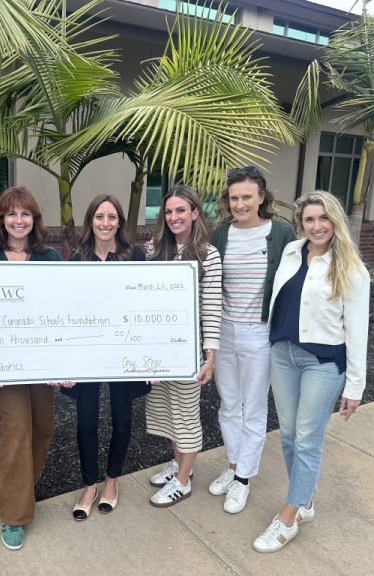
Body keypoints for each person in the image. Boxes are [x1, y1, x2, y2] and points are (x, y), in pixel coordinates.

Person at [252, 190, 370, 553]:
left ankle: (289, 515)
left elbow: (358, 331)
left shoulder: (351, 268)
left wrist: (355, 386)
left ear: (335, 221)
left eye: (323, 218)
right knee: (288, 434)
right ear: (300, 223)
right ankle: (304, 498)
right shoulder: (292, 251)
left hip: (322, 362)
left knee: (307, 438)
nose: (317, 226)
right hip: (283, 355)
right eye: (309, 219)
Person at [0, 186, 61, 551]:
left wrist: (63, 362)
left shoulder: (50, 257)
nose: (19, 220)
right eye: (12, 213)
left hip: (41, 361)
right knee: (16, 430)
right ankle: (14, 513)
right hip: (3, 363)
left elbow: (63, 311)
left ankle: (21, 486)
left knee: (42, 428)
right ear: (2, 219)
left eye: (25, 214)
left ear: (34, 219)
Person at [208, 167, 296, 514]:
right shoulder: (221, 234)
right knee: (229, 404)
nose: (240, 204)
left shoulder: (281, 233)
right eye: (234, 198)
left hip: (260, 332)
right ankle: (233, 466)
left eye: (247, 196)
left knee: (254, 407)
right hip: (224, 330)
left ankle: (244, 478)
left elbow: (296, 280)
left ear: (261, 197)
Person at [64, 195, 148, 521]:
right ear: (91, 221)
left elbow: (146, 306)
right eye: (99, 216)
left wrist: (151, 356)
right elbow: (65, 309)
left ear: (119, 222)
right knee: (86, 421)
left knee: (122, 420)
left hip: (123, 350)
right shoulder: (77, 259)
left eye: (112, 217)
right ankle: (89, 485)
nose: (105, 223)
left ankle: (111, 481)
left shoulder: (134, 256)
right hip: (87, 352)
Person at [145, 185, 222, 507]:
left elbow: (212, 308)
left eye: (181, 210)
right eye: (168, 211)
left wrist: (209, 358)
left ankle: (183, 481)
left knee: (186, 414)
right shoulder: (154, 249)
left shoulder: (208, 254)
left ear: (194, 213)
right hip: (158, 350)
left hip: (187, 351)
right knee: (167, 411)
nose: (174, 217)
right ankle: (179, 466)